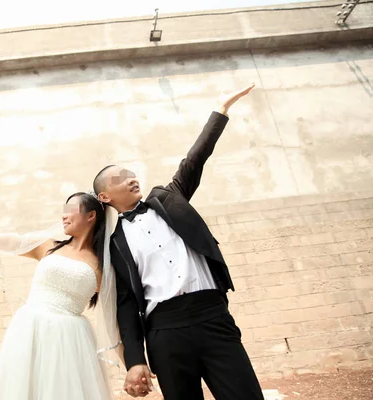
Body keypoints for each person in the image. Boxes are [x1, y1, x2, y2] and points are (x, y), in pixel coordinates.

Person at [93, 83, 264, 400]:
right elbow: (127, 306)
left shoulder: (168, 198)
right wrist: (135, 361)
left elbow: (194, 160)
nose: (132, 178)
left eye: (132, 173)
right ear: (104, 196)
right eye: (120, 178)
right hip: (164, 333)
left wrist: (221, 108)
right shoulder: (113, 243)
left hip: (213, 318)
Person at [0, 192, 122, 400]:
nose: (63, 216)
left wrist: (135, 364)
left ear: (91, 216)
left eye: (70, 210)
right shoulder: (46, 246)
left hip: (71, 339)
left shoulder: (102, 267)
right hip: (31, 328)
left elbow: (116, 316)